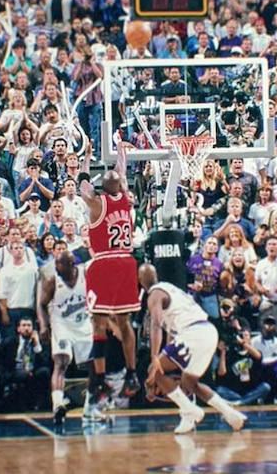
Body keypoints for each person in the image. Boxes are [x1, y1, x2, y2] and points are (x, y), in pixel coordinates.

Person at [139, 264, 247, 434]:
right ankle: (231, 414)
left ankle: (189, 410)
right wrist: (163, 356)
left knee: (155, 369)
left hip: (194, 332)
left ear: (140, 282)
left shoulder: (154, 295)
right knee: (190, 382)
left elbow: (156, 325)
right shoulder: (170, 289)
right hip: (208, 332)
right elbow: (171, 334)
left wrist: (154, 356)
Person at [78, 143, 140, 404]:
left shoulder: (95, 203)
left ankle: (101, 379)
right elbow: (121, 172)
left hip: (104, 262)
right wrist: (120, 150)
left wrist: (86, 159)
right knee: (124, 322)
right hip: (126, 261)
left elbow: (81, 184)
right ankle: (132, 373)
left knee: (99, 322)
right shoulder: (125, 197)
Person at [38, 251, 93, 426]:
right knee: (61, 362)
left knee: (94, 365)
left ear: (70, 264)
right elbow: (41, 304)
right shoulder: (53, 282)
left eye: (60, 264)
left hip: (84, 324)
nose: (56, 267)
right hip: (61, 324)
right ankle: (58, 404)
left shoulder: (85, 275)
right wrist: (43, 326)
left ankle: (89, 406)